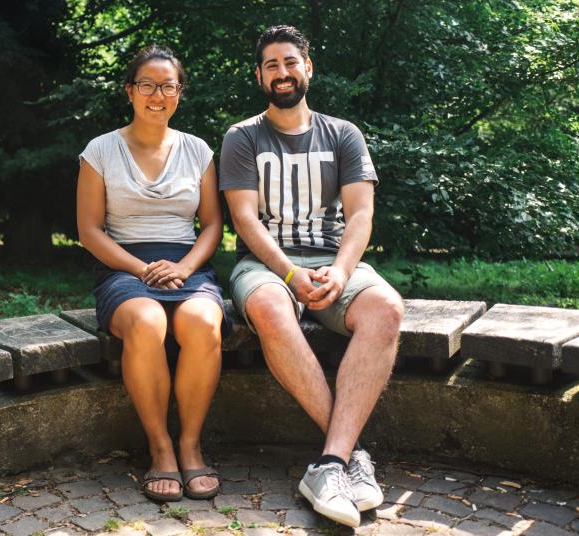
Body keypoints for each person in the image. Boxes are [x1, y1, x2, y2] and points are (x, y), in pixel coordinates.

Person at [219, 25, 404, 527]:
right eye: (272, 65)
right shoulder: (242, 137)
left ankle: (329, 464)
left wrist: (342, 272)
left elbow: (361, 215)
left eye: (290, 62)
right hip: (266, 266)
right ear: (260, 76)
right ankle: (348, 456)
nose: (283, 72)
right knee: (269, 306)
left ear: (308, 68)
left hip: (335, 261)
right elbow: (245, 220)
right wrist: (289, 272)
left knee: (387, 309)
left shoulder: (343, 133)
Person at [77, 45, 225, 502]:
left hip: (188, 267)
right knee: (147, 321)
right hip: (124, 267)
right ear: (130, 91)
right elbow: (88, 231)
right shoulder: (100, 150)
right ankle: (160, 450)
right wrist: (144, 269)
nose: (157, 95)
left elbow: (213, 224)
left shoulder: (197, 149)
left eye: (167, 86)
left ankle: (190, 444)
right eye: (147, 85)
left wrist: (182, 267)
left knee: (202, 321)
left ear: (179, 92)